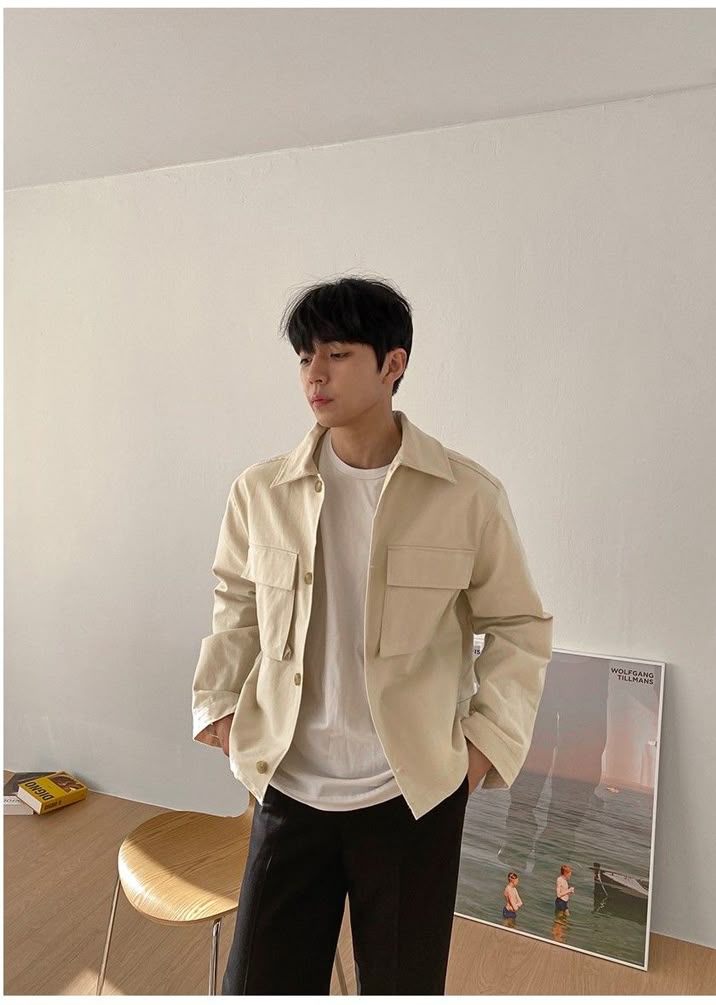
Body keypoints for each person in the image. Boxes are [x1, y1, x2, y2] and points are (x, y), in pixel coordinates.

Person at [191, 275, 554, 995]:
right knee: (257, 985)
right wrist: (222, 708)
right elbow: (236, 603)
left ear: (394, 363)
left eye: (336, 352)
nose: (314, 373)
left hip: (409, 797)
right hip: (289, 786)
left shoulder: (466, 496)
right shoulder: (259, 492)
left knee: (401, 985)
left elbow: (519, 626)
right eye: (303, 357)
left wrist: (481, 750)